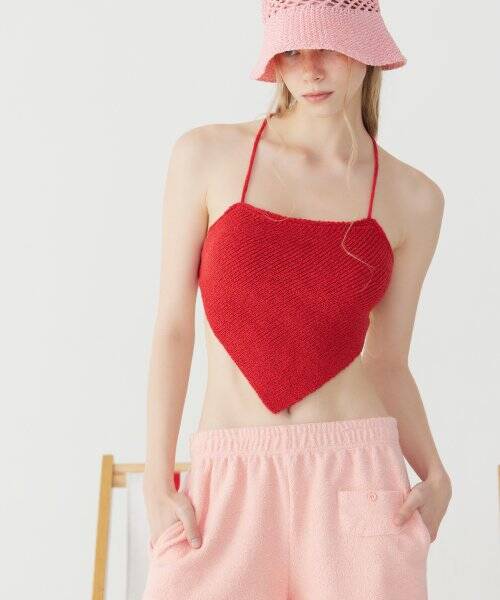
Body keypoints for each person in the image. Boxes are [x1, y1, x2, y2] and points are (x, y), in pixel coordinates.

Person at [142, 1, 452, 598]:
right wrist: (158, 480)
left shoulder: (415, 198)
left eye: (328, 47)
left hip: (357, 474)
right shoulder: (205, 155)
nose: (309, 69)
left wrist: (436, 474)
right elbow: (173, 328)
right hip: (226, 479)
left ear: (366, 49)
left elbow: (386, 361)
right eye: (291, 51)